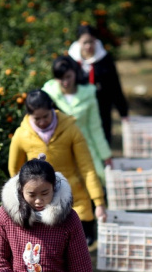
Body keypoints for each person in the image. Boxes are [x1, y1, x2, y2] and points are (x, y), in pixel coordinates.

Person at [8, 89, 107, 246]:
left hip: (74, 199)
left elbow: (87, 167)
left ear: (52, 109)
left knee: (79, 249)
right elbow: (15, 172)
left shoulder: (70, 128)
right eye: (37, 119)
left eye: (45, 116)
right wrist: (24, 200)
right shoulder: (21, 135)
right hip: (40, 203)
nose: (42, 122)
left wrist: (99, 202)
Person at [42, 56, 112, 184]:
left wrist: (105, 155)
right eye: (60, 78)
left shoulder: (88, 93)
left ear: (75, 72)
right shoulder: (48, 94)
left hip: (85, 146)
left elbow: (95, 127)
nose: (65, 82)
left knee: (95, 180)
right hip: (60, 149)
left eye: (68, 77)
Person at [68, 24, 129, 145]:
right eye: (85, 42)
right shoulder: (71, 60)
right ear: (78, 42)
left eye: (91, 42)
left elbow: (115, 85)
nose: (88, 46)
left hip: (101, 106)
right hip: (79, 107)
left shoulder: (104, 59)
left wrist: (123, 110)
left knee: (102, 138)